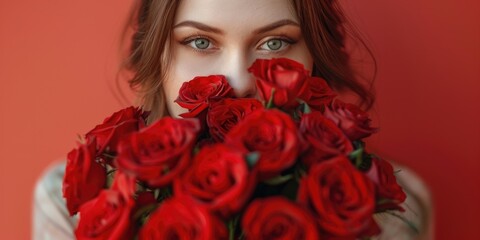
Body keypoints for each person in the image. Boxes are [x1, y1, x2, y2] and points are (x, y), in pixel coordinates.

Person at [33, 0, 434, 239]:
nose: (239, 81)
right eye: (200, 42)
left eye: (275, 42)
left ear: (314, 57)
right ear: (157, 55)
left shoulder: (393, 209)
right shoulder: (73, 206)